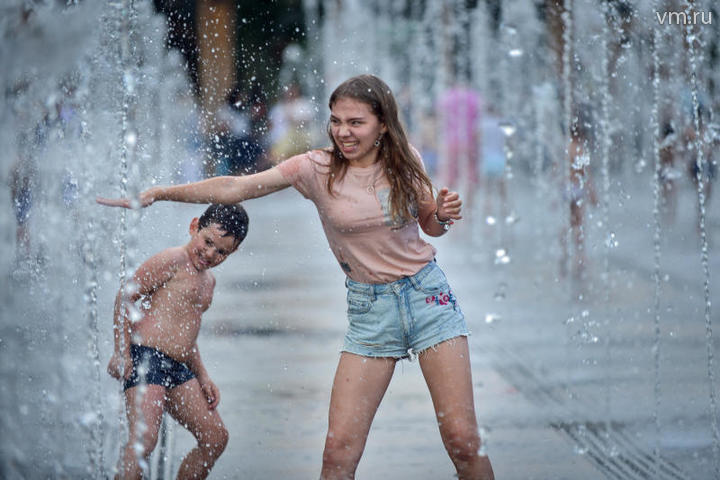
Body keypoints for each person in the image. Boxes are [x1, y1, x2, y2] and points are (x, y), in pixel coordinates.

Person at [98, 74, 495, 480]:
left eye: (355, 122)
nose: (343, 132)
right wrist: (160, 193)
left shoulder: (405, 158)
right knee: (338, 453)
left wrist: (441, 216)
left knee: (462, 440)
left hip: (428, 298)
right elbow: (236, 186)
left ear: (382, 123)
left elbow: (428, 222)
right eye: (336, 120)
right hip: (370, 312)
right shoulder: (316, 168)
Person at [106, 204, 249, 480]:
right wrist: (122, 351)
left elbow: (186, 336)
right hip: (146, 360)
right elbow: (125, 297)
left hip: (178, 367)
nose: (210, 254)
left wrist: (203, 376)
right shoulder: (172, 260)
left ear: (233, 251)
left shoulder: (209, 284)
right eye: (207, 242)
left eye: (221, 251)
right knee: (144, 442)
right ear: (194, 226)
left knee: (215, 437)